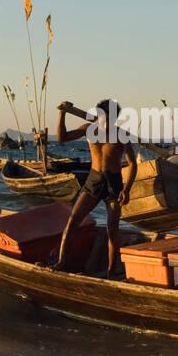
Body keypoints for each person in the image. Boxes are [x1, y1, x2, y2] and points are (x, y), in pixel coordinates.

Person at [49, 99, 137, 276]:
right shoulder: (88, 129)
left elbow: (132, 164)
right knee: (73, 220)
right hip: (94, 180)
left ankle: (112, 270)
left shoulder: (122, 135)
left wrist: (126, 190)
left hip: (114, 182)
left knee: (112, 228)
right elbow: (61, 138)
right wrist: (62, 113)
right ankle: (61, 262)